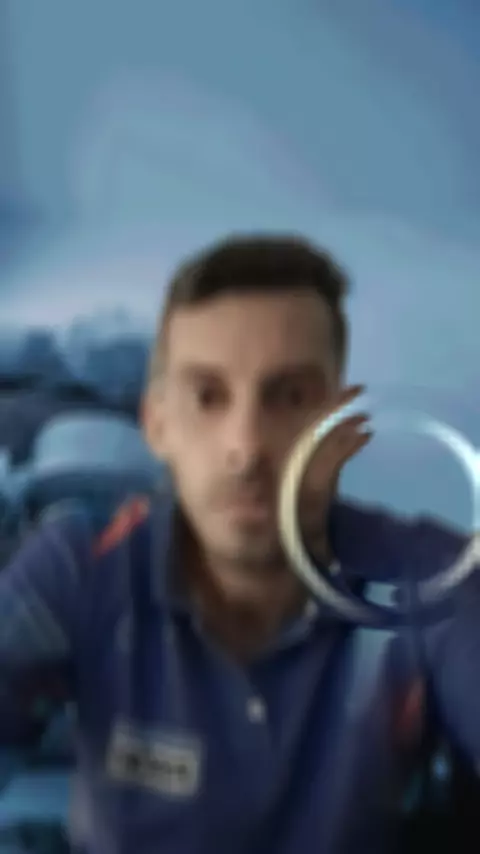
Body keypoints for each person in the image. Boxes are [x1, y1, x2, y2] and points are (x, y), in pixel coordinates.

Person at [0, 234, 478, 854]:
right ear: (157, 424)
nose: (246, 449)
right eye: (207, 397)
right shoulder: (84, 564)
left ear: (343, 428)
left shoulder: (431, 581)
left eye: (290, 397)